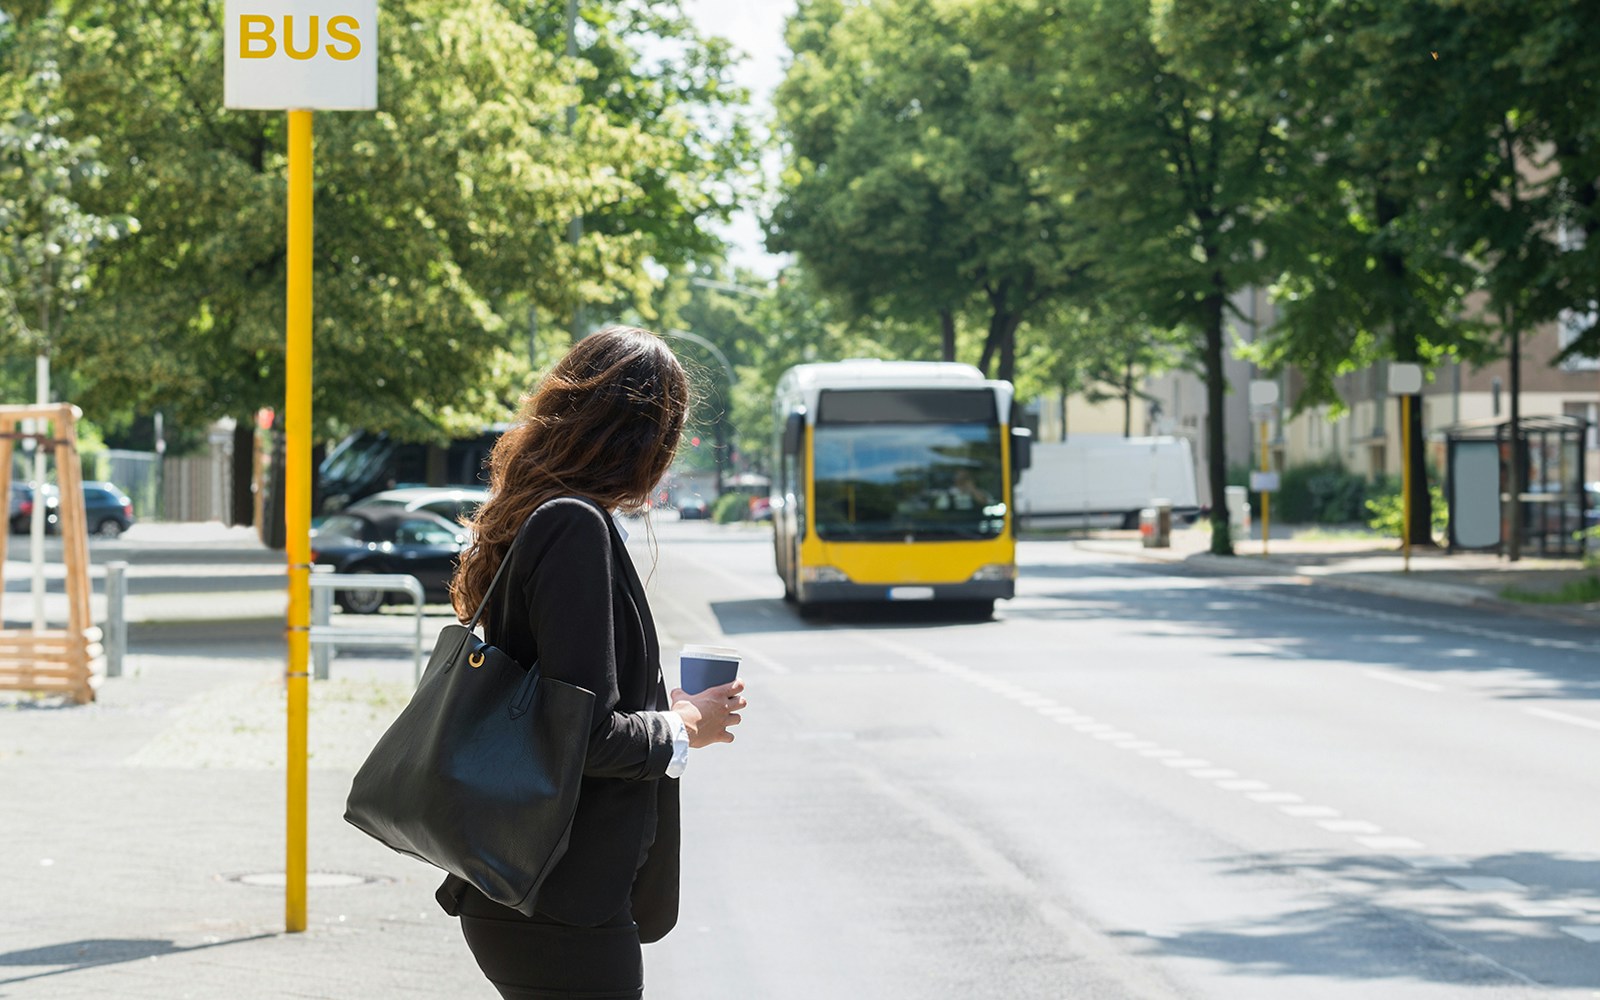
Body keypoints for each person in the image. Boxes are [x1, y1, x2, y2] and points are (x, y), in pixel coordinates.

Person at [442, 325, 748, 999]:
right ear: (641, 435)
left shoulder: (548, 517)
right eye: (671, 434)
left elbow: (563, 706)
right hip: (560, 903)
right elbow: (582, 732)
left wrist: (670, 715)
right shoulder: (573, 525)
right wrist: (683, 724)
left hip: (530, 894)